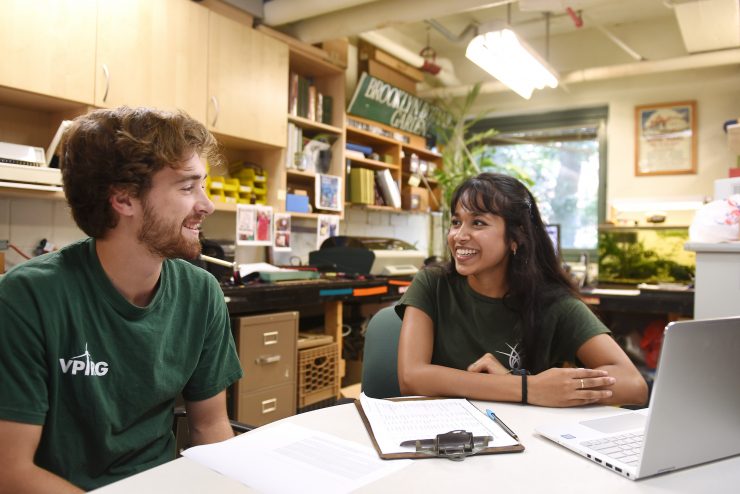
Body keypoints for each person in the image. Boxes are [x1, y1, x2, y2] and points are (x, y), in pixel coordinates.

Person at [0, 107, 244, 492]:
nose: (207, 204)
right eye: (187, 187)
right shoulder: (26, 298)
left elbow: (210, 425)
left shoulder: (201, 293)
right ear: (124, 198)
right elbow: (11, 472)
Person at [396, 172, 648, 407]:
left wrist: (526, 384)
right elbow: (412, 377)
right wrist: (526, 387)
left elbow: (633, 385)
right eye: (456, 222)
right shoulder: (432, 284)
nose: (459, 235)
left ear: (515, 238)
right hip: (441, 436)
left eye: (478, 223)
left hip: (522, 441)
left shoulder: (553, 304)